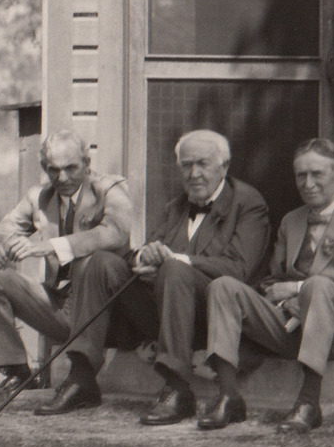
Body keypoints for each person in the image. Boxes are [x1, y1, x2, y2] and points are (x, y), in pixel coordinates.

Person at [53, 130, 270, 423]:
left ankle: (178, 388)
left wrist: (176, 259)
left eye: (203, 164)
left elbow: (240, 269)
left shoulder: (248, 203)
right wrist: (145, 257)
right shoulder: (176, 207)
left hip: (217, 319)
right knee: (102, 261)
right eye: (186, 165)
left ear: (225, 166)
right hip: (168, 316)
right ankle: (82, 378)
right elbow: (143, 254)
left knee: (175, 268)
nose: (193, 173)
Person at [202, 137, 334, 434]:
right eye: (301, 175)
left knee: (319, 286)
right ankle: (229, 396)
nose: (308, 183)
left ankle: (309, 402)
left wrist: (302, 291)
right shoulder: (292, 221)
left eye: (317, 174)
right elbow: (274, 281)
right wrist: (289, 299)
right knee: (223, 286)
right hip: (292, 324)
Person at [0, 130, 137, 393]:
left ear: (87, 163)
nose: (63, 177)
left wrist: (46, 247)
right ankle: (17, 373)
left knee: (88, 262)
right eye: (54, 170)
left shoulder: (110, 188)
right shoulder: (40, 198)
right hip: (62, 308)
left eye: (71, 168)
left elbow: (114, 233)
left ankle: (81, 378)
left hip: (106, 314)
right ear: (45, 168)